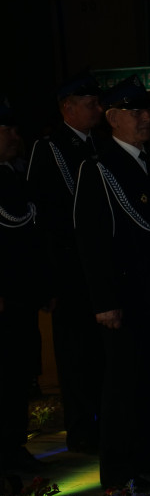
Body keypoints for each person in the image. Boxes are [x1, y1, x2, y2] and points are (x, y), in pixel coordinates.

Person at [73, 76, 150, 489]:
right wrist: (104, 299)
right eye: (135, 112)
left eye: (147, 111)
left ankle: (145, 454)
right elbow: (91, 240)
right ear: (112, 118)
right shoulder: (99, 168)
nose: (146, 119)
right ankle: (119, 472)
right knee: (124, 385)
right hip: (123, 298)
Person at [26, 73, 107, 454]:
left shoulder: (102, 144)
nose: (98, 109)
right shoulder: (51, 149)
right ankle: (81, 430)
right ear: (67, 108)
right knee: (76, 355)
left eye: (97, 102)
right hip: (70, 272)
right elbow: (42, 218)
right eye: (89, 103)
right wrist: (49, 281)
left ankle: (106, 422)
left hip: (100, 269)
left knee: (104, 353)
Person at [0, 102, 52, 476]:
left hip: (20, 296)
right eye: (8, 131)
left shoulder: (16, 175)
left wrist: (41, 285)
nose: (17, 137)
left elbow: (31, 238)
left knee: (18, 373)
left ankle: (13, 444)